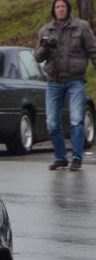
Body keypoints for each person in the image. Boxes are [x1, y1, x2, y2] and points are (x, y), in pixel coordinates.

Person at [34, 0, 96, 171]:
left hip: (75, 80)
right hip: (54, 81)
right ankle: (61, 157)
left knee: (76, 120)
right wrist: (45, 47)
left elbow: (93, 49)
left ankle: (77, 157)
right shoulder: (45, 30)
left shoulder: (81, 27)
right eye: (57, 7)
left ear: (68, 9)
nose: (60, 10)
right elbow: (37, 57)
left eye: (63, 7)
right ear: (53, 10)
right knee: (52, 123)